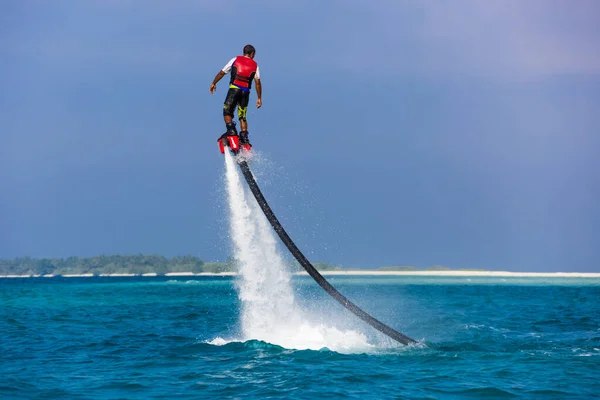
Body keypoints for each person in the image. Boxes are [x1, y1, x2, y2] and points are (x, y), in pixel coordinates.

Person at [210, 44, 262, 149]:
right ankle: (244, 140)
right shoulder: (255, 65)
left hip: (234, 89)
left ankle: (231, 131)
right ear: (252, 54)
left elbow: (222, 72)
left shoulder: (235, 59)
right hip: (245, 92)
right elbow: (257, 82)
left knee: (227, 111)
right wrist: (259, 98)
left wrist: (214, 83)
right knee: (242, 116)